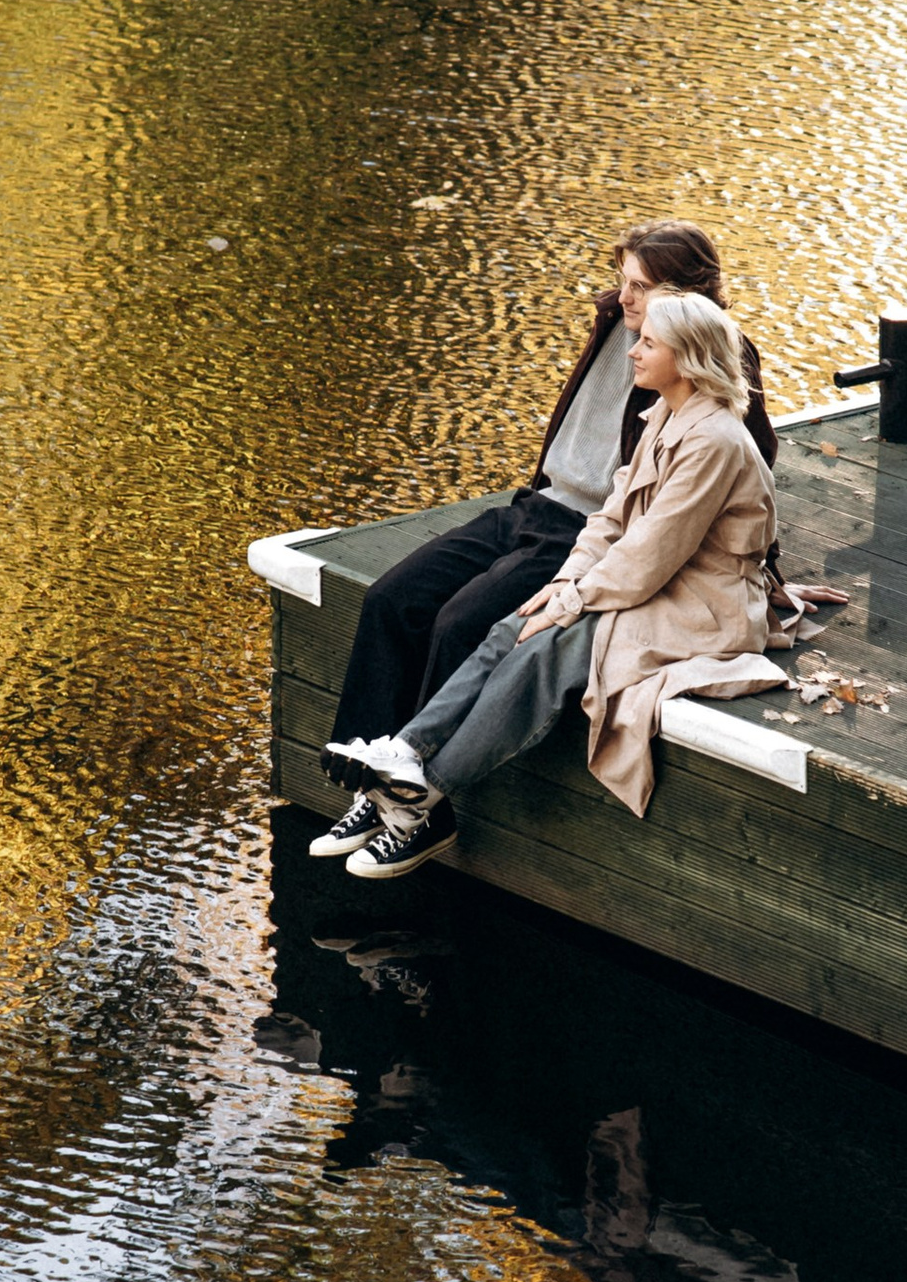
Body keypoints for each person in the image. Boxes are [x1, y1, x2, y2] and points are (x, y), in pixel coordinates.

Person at [310, 221, 776, 861]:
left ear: (682, 321)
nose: (626, 306)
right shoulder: (641, 362)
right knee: (394, 598)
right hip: (546, 509)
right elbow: (618, 510)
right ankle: (381, 777)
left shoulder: (711, 383)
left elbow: (683, 523)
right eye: (624, 285)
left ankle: (423, 806)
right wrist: (567, 584)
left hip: (623, 560)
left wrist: (762, 571)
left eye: (640, 290)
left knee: (470, 623)